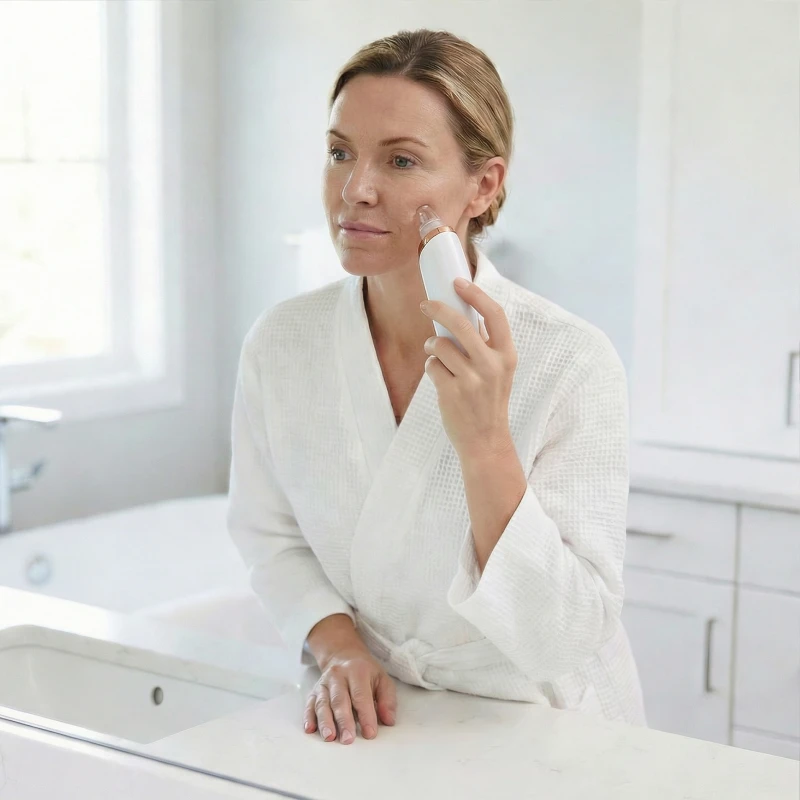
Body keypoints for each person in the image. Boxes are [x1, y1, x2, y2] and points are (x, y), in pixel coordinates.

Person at [227, 28, 646, 746]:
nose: (355, 189)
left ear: (483, 185)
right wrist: (339, 647)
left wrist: (485, 444)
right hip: (382, 720)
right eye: (340, 152)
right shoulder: (282, 342)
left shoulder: (571, 361)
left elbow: (566, 636)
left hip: (546, 732)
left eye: (401, 160)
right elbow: (270, 535)